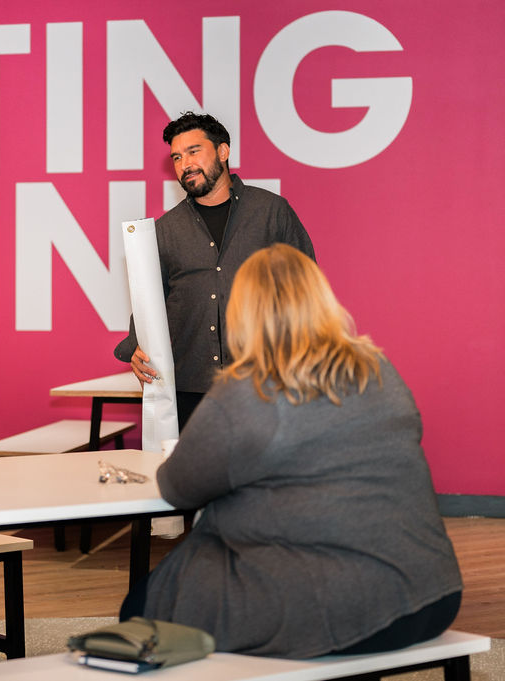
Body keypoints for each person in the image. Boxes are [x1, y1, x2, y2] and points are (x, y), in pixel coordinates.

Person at [120, 244, 463, 658]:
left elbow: (177, 487)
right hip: (432, 593)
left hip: (340, 610)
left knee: (140, 607)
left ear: (241, 314)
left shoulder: (244, 392)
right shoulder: (378, 369)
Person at [114, 111, 315, 429]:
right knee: (195, 479)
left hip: (263, 382)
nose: (185, 165)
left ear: (223, 151)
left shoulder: (271, 212)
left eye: (194, 151)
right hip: (189, 388)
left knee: (261, 478)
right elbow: (151, 298)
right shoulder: (166, 229)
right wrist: (137, 346)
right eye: (177, 157)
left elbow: (307, 290)